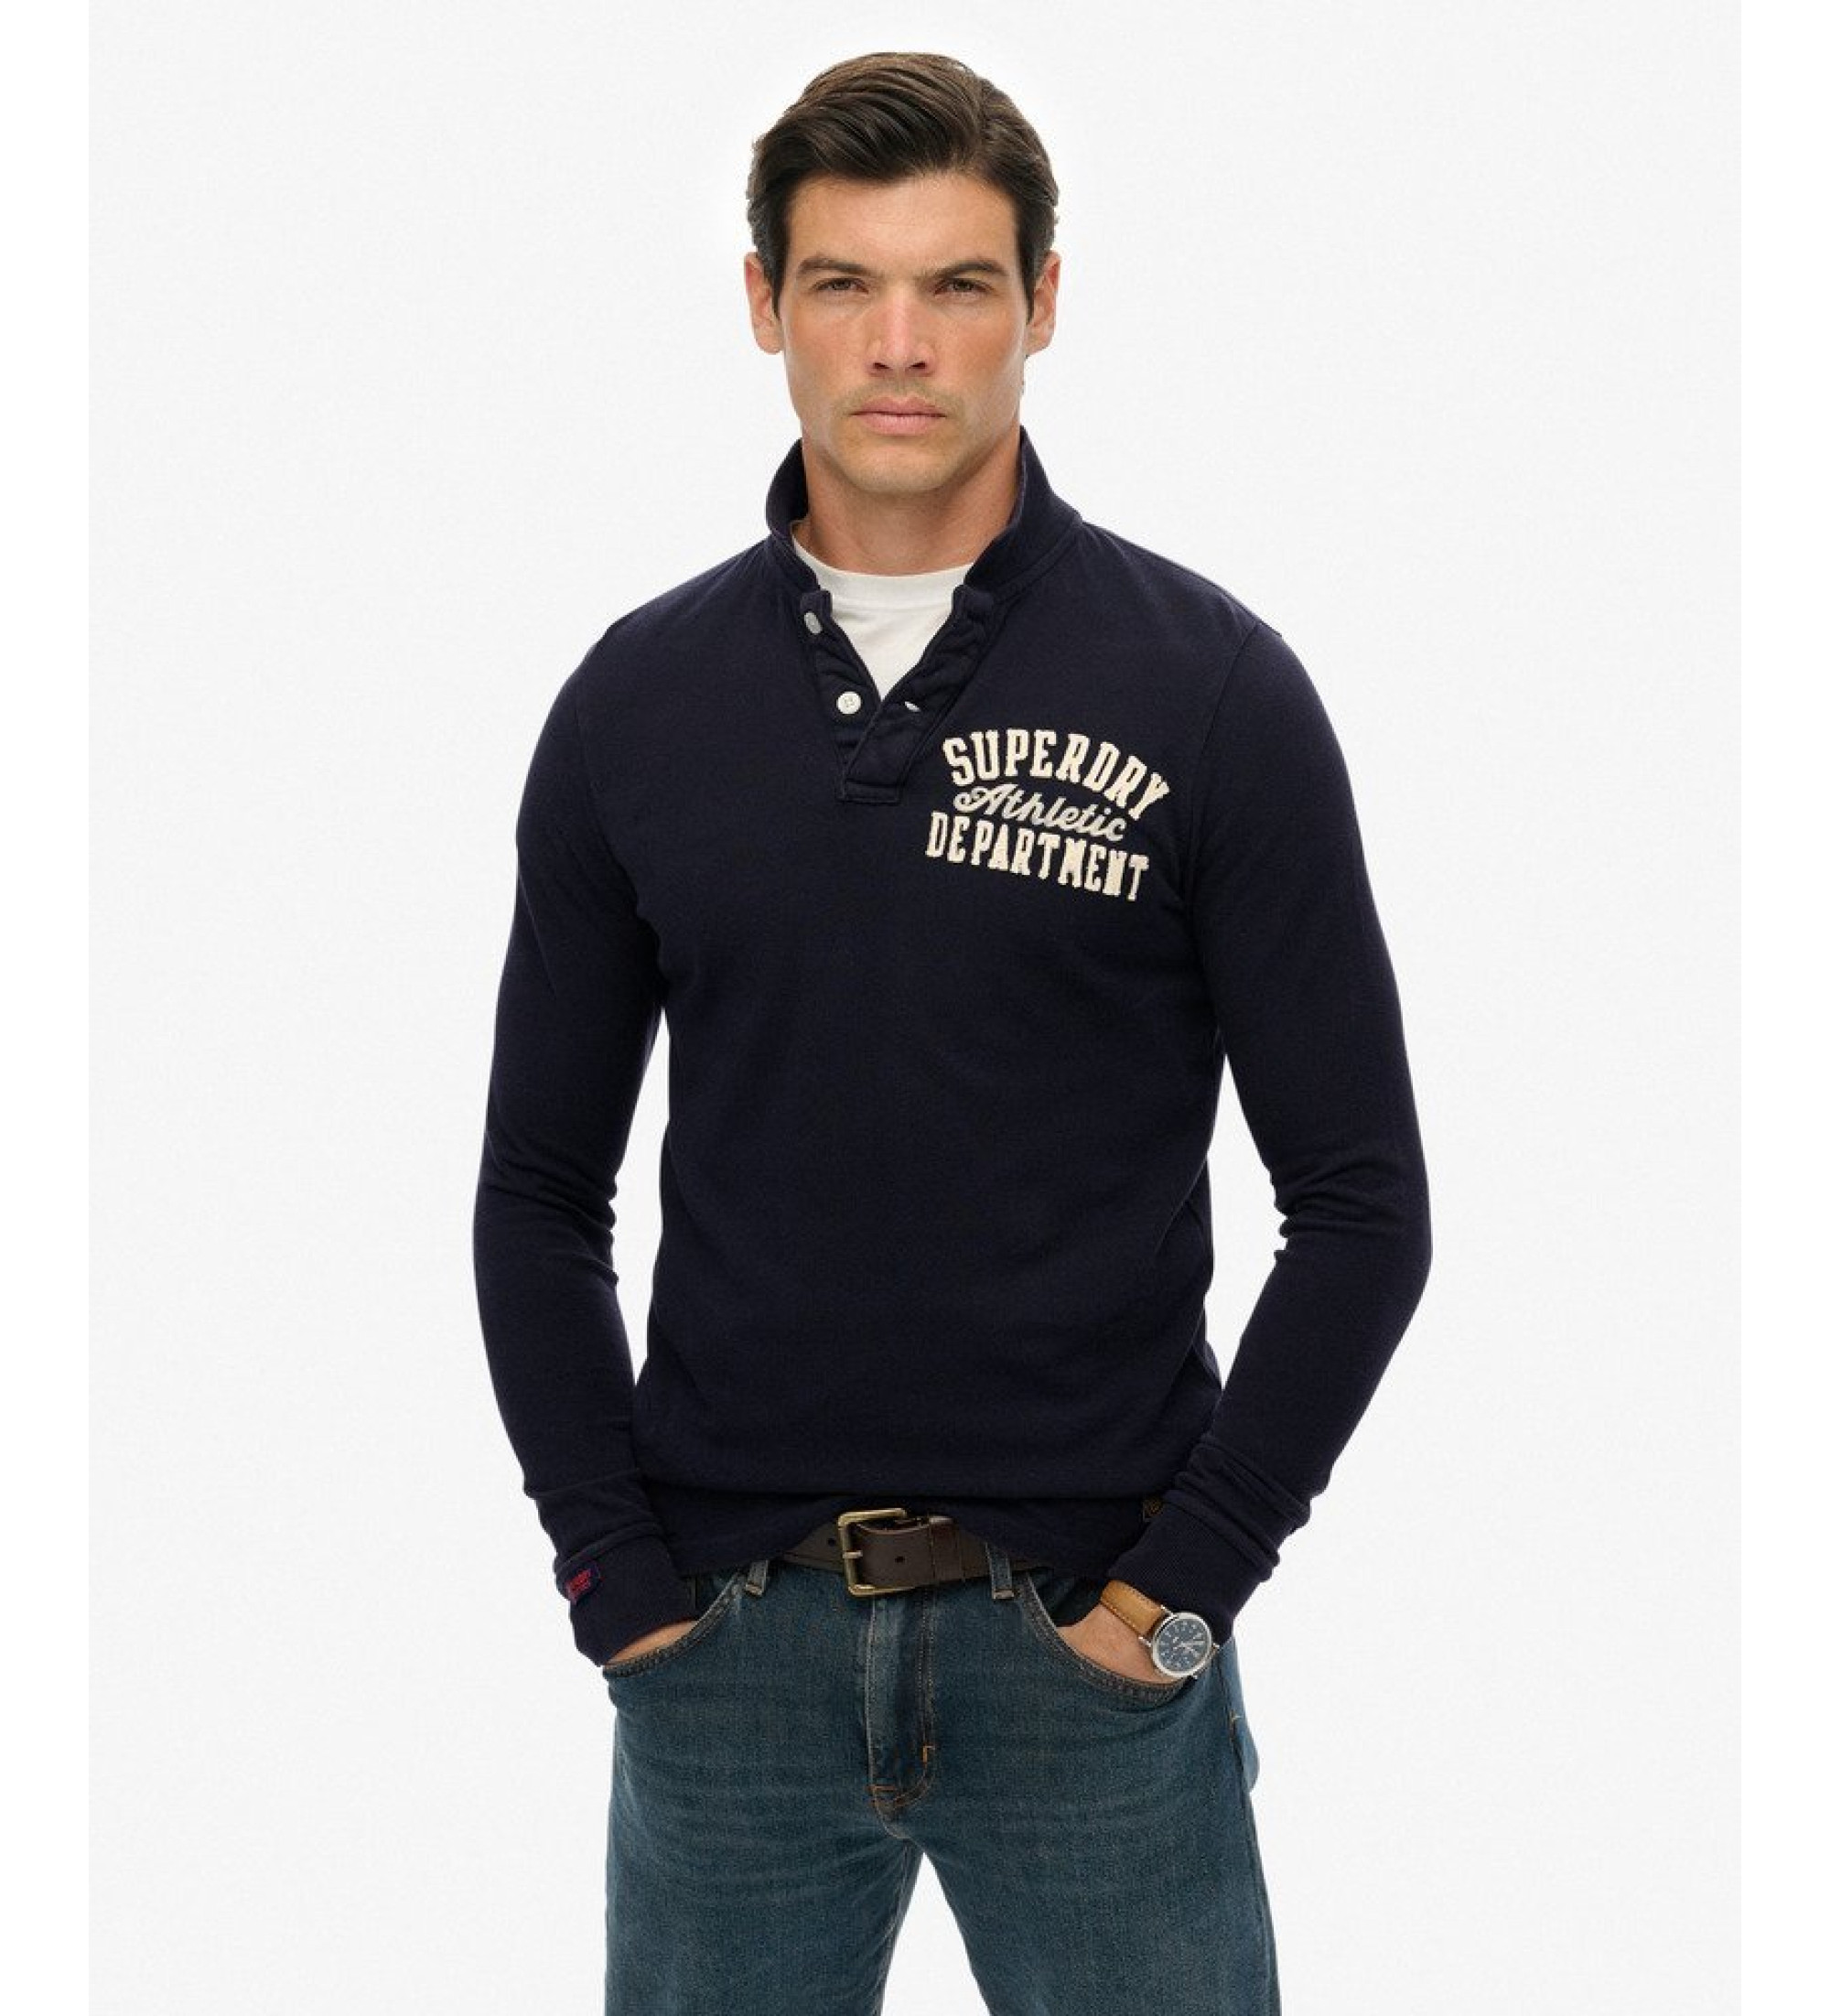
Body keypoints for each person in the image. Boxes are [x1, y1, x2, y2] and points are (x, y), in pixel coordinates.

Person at [472, 49, 1431, 2016]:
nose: (898, 345)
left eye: (957, 285)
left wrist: (1182, 1591)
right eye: (844, 283)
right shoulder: (636, 706)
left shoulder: (1210, 693)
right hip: (726, 1654)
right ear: (765, 304)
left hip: (1091, 1649)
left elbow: (1360, 1205)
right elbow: (538, 1193)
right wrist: (614, 1584)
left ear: (1042, 302)